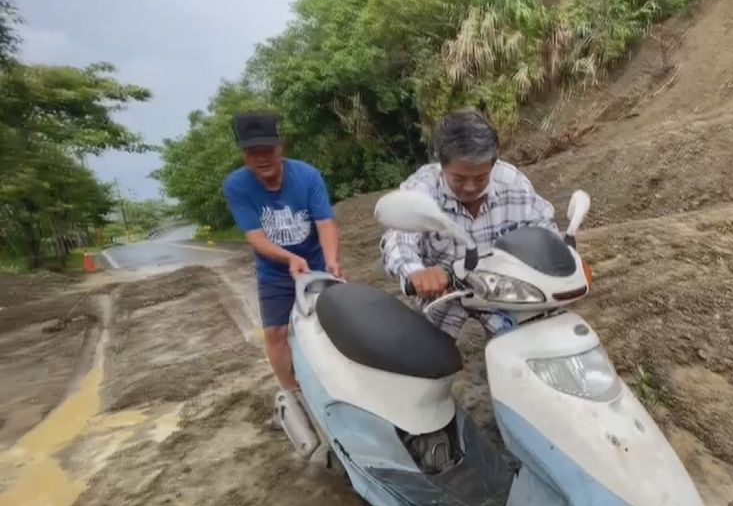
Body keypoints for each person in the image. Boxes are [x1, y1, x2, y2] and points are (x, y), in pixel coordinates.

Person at [380, 109, 558, 338]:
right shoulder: (423, 188)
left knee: (532, 349)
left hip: (502, 295)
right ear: (442, 166)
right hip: (443, 297)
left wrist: (555, 256)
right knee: (424, 360)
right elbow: (398, 236)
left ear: (493, 165)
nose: (471, 187)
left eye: (481, 177)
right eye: (460, 178)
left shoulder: (513, 183)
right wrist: (416, 273)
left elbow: (544, 228)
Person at [222, 112, 344, 396]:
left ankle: (339, 381)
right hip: (274, 272)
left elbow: (325, 223)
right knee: (276, 333)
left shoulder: (307, 175)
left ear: (281, 147)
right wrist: (289, 259)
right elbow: (255, 236)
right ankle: (293, 393)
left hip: (316, 263)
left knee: (335, 323)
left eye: (268, 150)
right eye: (253, 152)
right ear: (243, 154)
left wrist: (331, 262)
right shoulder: (236, 185)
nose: (262, 158)